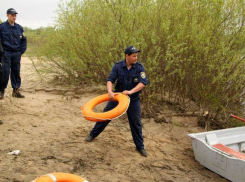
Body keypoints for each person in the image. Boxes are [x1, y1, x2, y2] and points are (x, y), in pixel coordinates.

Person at [85, 46, 148, 157]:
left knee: (136, 123)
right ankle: (92, 135)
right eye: (134, 56)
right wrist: (110, 92)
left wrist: (131, 91)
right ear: (127, 56)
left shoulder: (139, 67)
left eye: (137, 55)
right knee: (105, 116)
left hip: (133, 100)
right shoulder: (118, 66)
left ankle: (140, 147)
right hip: (117, 98)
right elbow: (110, 80)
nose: (136, 58)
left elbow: (143, 83)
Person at [0, 8, 27, 100]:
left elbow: (24, 40)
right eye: (12, 15)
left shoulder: (19, 28)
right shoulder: (2, 27)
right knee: (4, 72)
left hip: (16, 53)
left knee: (16, 72)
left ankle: (15, 91)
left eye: (15, 15)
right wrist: (1, 52)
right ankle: (1, 91)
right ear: (7, 15)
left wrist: (21, 51)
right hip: (6, 53)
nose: (14, 17)